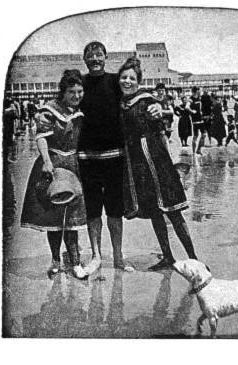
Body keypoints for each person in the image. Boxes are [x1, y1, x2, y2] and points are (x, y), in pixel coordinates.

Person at [74, 41, 160, 274]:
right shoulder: (80, 83)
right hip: (86, 157)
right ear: (85, 59)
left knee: (114, 211)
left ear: (105, 57)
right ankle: (96, 256)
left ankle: (118, 257)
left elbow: (137, 91)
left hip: (115, 157)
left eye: (99, 55)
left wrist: (157, 106)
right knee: (92, 210)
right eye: (90, 56)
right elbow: (63, 101)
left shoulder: (115, 81)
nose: (94, 60)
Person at [117, 57, 198, 270]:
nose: (127, 81)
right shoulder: (120, 104)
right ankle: (168, 257)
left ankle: (193, 258)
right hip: (136, 165)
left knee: (173, 210)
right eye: (123, 77)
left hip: (155, 160)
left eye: (132, 78)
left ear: (139, 81)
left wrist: (171, 161)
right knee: (155, 211)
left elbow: (162, 128)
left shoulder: (147, 101)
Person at [20, 69, 89, 280]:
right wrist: (47, 161)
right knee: (54, 216)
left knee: (73, 218)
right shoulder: (50, 110)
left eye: (79, 91)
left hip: (74, 165)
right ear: (63, 92)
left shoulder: (81, 109)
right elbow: (41, 137)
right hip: (53, 164)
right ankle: (56, 260)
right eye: (71, 92)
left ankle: (76, 262)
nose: (77, 96)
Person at [187, 87, 204, 154]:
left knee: (204, 135)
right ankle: (194, 152)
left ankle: (199, 150)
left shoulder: (199, 98)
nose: (200, 91)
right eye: (199, 90)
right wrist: (192, 111)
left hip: (201, 119)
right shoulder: (191, 99)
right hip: (195, 120)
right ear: (196, 91)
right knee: (196, 136)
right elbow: (187, 107)